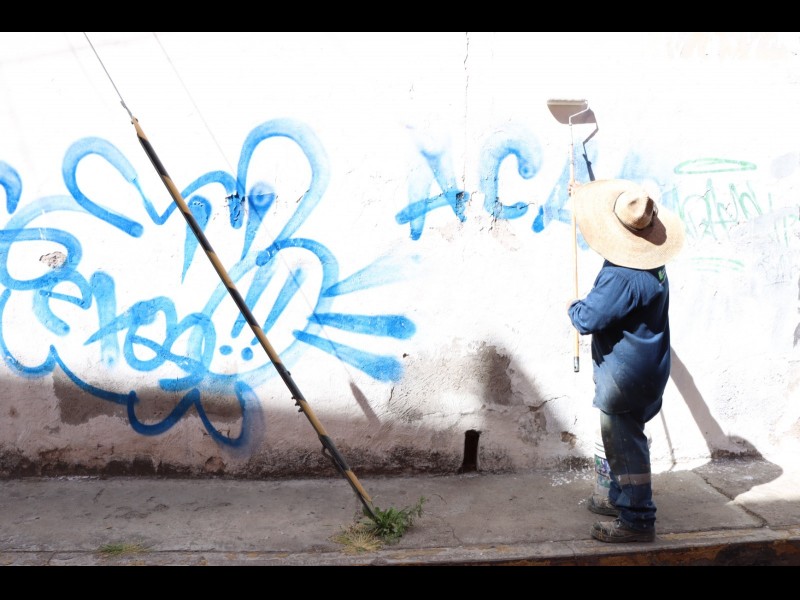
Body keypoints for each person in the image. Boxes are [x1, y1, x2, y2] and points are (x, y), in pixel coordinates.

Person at [566, 178, 685, 543]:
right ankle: (621, 498)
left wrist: (574, 306)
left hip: (625, 376)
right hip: (648, 367)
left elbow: (588, 318)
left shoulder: (622, 276)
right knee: (627, 440)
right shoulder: (653, 265)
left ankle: (637, 519)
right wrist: (581, 195)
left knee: (624, 445)